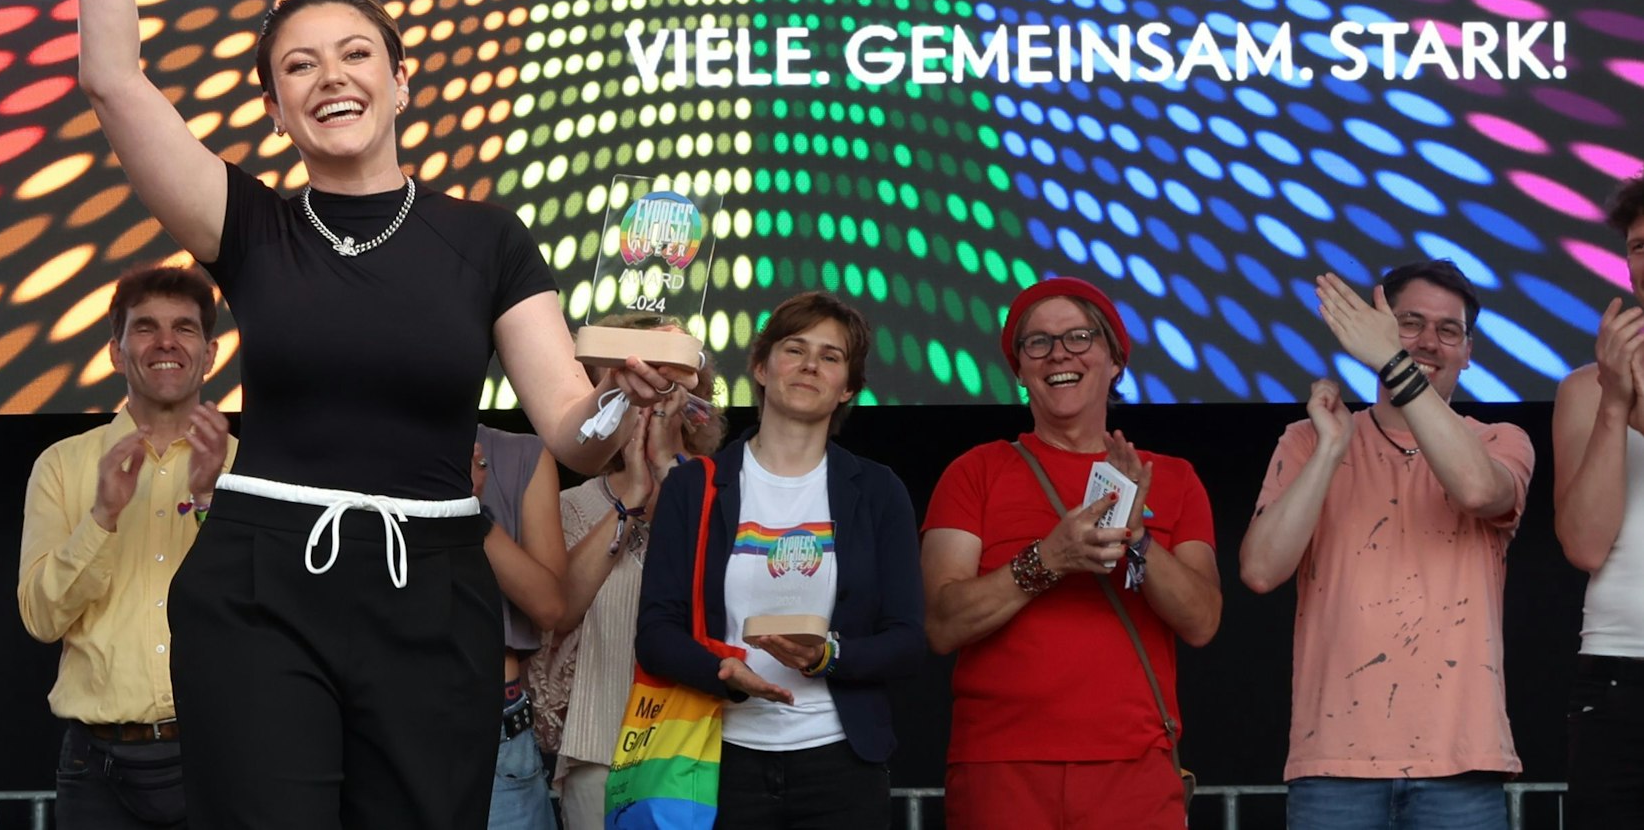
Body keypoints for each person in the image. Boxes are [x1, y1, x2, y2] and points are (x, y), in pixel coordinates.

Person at [74, 0, 674, 829]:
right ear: (274, 105)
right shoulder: (247, 224)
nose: (329, 77)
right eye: (297, 66)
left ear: (400, 82)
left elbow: (576, 436)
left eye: (355, 53)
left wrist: (628, 395)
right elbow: (115, 79)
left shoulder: (484, 237)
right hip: (261, 585)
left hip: (433, 590)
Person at [1240, 259, 1534, 829]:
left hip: (1462, 767)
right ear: (1377, 327)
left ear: (1469, 352)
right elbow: (1259, 569)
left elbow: (1477, 490)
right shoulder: (1309, 438)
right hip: (1333, 768)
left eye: (1449, 330)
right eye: (1409, 324)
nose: (1429, 341)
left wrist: (1392, 360)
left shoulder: (1500, 440)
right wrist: (1330, 449)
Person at [921, 276, 1220, 830]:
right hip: (1000, 767)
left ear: (1114, 361)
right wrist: (1047, 559)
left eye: (1080, 337)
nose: (1059, 352)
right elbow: (942, 623)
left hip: (1135, 769)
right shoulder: (974, 473)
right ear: (1021, 371)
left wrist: (1138, 539)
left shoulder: (1174, 479)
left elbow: (1202, 621)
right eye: (1038, 342)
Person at [637, 292, 925, 830]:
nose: (810, 365)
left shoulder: (879, 491)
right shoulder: (693, 486)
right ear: (761, 367)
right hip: (718, 759)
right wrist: (723, 672)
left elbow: (908, 640)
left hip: (842, 765)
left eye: (831, 356)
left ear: (848, 389)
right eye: (795, 349)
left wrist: (828, 658)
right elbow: (656, 632)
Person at [17, 264, 235, 830]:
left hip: (220, 756)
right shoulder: (62, 466)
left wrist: (212, 498)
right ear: (116, 352)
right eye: (145, 328)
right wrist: (103, 516)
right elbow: (41, 618)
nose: (166, 342)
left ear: (210, 354)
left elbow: (270, 614)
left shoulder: (248, 467)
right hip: (98, 769)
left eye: (184, 329)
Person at [533, 368, 725, 830]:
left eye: (659, 398)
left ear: (691, 409)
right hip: (602, 746)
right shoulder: (574, 505)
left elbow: (720, 591)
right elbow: (559, 611)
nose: (643, 413)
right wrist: (632, 499)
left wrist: (666, 471)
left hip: (704, 745)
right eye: (629, 399)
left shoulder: (725, 495)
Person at [1553, 172, 1644, 826]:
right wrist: (1615, 404)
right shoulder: (1585, 390)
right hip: (1618, 673)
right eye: (1640, 246)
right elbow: (1584, 545)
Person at [473, 425, 565, 830]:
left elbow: (550, 606)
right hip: (382, 719)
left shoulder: (519, 454)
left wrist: (467, 507)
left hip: (495, 724)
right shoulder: (352, 453)